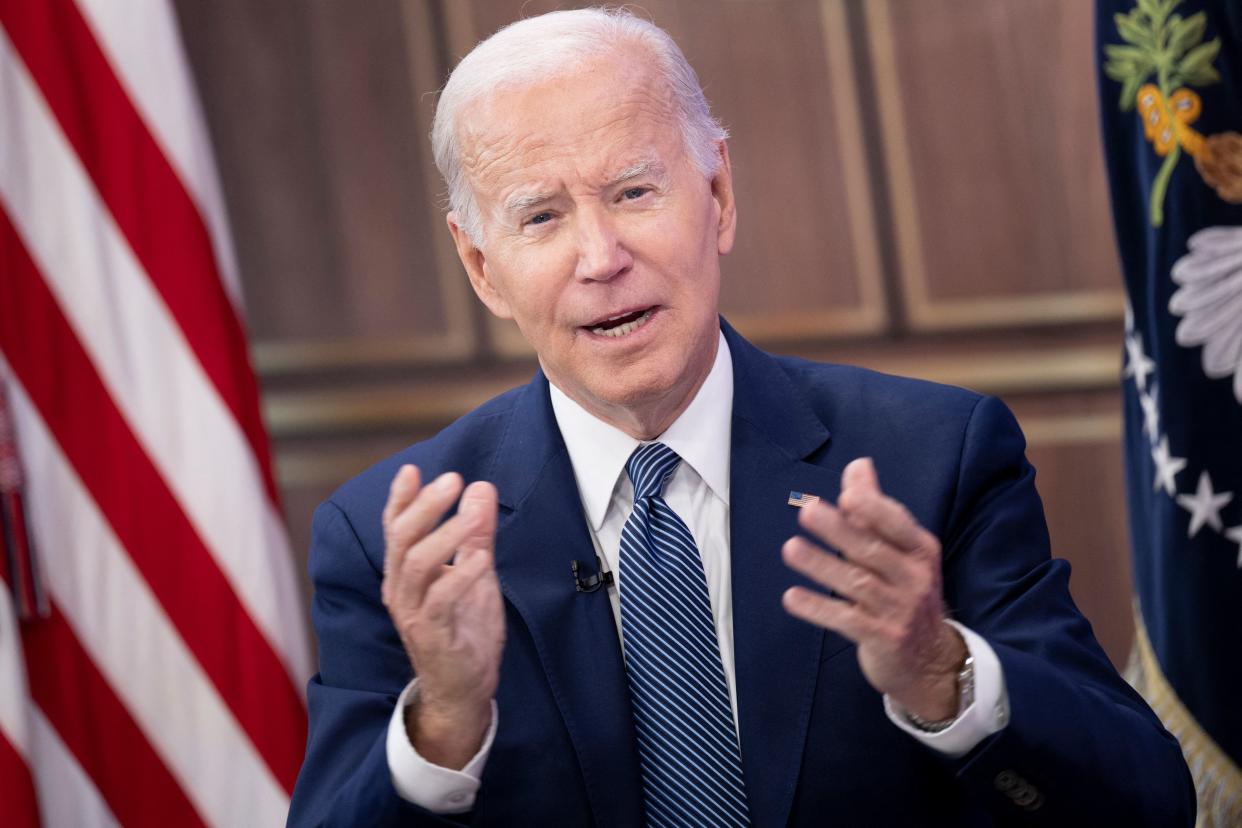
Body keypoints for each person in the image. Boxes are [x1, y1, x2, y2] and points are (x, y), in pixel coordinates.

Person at [287, 8, 1194, 826]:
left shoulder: (931, 461)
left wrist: (942, 674)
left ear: (717, 196)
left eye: (634, 192)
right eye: (541, 217)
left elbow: (1148, 802)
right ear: (482, 267)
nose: (600, 257)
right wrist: (443, 726)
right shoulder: (390, 541)